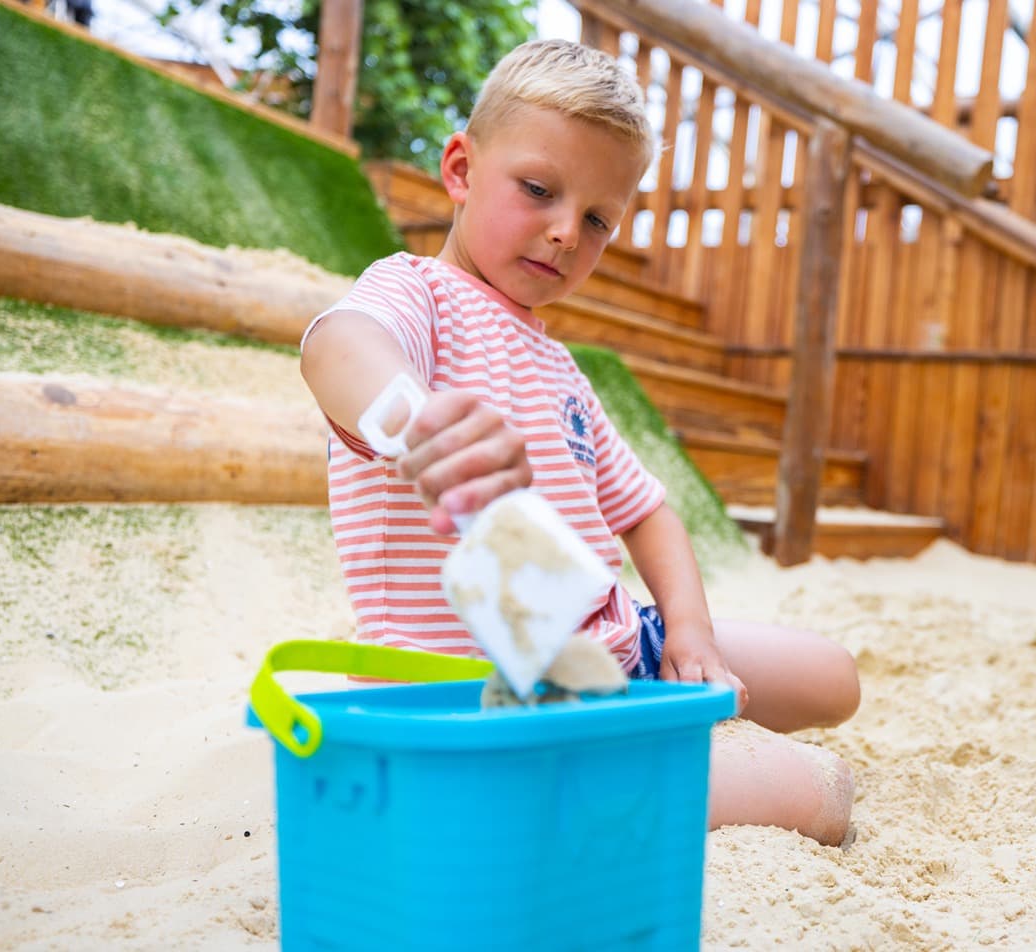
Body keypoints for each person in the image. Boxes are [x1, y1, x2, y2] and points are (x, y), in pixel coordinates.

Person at [300, 39, 860, 846]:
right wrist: (417, 423)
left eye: (597, 218)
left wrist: (691, 634)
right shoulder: (415, 294)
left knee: (834, 679)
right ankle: (611, 772)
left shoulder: (559, 365)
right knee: (822, 792)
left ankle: (659, 732)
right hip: (494, 698)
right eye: (538, 190)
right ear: (460, 169)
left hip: (622, 645)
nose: (566, 233)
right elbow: (337, 346)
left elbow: (649, 514)